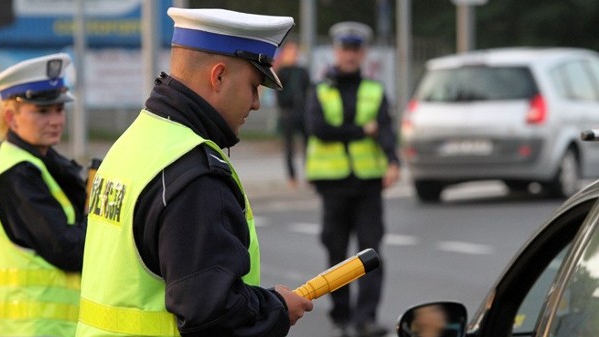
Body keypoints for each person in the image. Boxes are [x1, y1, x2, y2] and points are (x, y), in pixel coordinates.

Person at [75, 8, 313, 337]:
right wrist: (276, 309)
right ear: (218, 77)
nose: (256, 103)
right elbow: (213, 315)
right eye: (253, 86)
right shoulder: (194, 173)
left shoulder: (135, 140)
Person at [304, 21, 401, 337]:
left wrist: (393, 161)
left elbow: (385, 129)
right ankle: (342, 315)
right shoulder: (319, 90)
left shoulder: (374, 90)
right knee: (336, 251)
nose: (350, 55)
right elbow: (319, 130)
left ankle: (366, 319)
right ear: (336, 51)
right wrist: (362, 130)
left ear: (363, 53)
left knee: (371, 251)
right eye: (345, 49)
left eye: (356, 49)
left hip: (368, 183)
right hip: (333, 184)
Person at [0, 53, 87, 337]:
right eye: (42, 112)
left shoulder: (44, 162)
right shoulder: (15, 174)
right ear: (10, 117)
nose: (56, 120)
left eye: (59, 109)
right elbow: (69, 249)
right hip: (34, 329)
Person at [275, 39, 311, 188]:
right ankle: (292, 177)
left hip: (303, 112)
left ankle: (310, 174)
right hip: (288, 113)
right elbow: (279, 94)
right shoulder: (281, 72)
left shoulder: (302, 71)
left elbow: (309, 90)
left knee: (308, 145)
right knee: (289, 147)